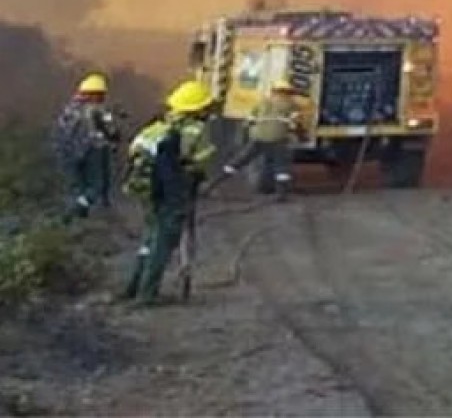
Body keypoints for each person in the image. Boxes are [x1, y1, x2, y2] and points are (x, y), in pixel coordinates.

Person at [121, 80, 218, 305]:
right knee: (163, 242)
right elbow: (200, 162)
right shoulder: (196, 130)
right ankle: (146, 295)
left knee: (150, 237)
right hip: (172, 191)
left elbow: (134, 152)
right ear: (198, 109)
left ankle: (133, 287)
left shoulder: (156, 126)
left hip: (143, 189)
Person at [50, 73, 122, 218]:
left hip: (67, 153)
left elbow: (59, 132)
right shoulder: (97, 109)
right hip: (93, 151)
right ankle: (78, 211)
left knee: (77, 187)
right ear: (95, 94)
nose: (103, 98)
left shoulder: (69, 109)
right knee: (97, 187)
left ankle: (75, 217)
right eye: (101, 95)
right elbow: (112, 130)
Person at [223, 81, 304, 195]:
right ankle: (281, 194)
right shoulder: (291, 105)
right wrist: (301, 135)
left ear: (273, 91)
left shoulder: (261, 102)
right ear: (288, 92)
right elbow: (295, 124)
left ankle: (214, 183)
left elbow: (249, 121)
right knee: (281, 165)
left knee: (240, 160)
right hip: (277, 138)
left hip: (257, 137)